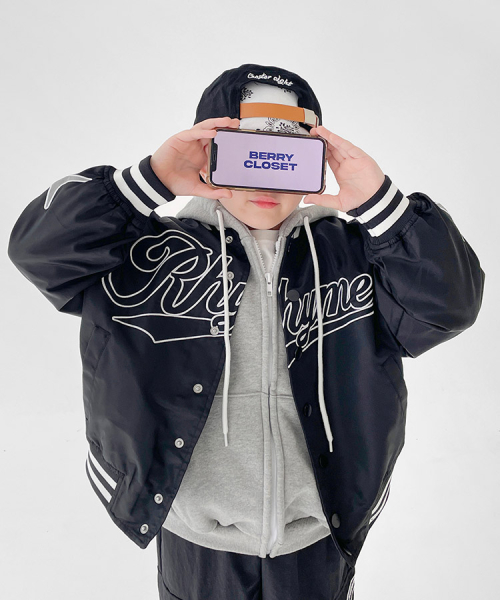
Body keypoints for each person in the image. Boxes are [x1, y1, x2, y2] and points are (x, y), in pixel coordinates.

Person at [7, 63, 485, 600]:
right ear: (206, 154)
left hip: (318, 532)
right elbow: (39, 250)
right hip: (192, 532)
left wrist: (381, 206)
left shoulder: (356, 256)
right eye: (245, 156)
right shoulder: (145, 253)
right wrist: (151, 180)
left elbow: (451, 305)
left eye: (287, 160)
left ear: (317, 160)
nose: (265, 180)